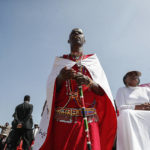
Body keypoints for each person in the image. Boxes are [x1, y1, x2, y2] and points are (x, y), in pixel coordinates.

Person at [33, 28, 117, 150]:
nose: (76, 34)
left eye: (80, 33)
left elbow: (103, 92)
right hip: (62, 121)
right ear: (68, 40)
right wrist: (61, 78)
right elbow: (51, 90)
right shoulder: (61, 62)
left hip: (88, 121)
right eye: (73, 33)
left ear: (84, 40)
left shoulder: (92, 61)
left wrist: (90, 82)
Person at [115, 71, 150, 150]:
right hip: (130, 113)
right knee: (126, 113)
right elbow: (120, 107)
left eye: (136, 75)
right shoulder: (121, 90)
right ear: (125, 79)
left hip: (147, 113)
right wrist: (139, 107)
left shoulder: (146, 90)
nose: (134, 76)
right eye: (130, 75)